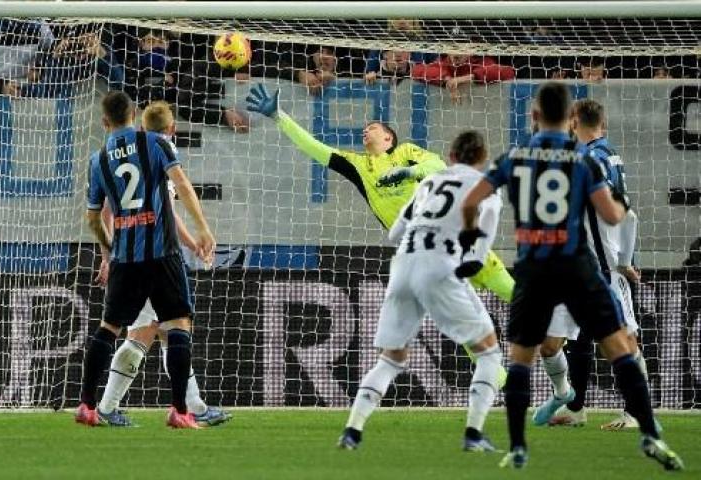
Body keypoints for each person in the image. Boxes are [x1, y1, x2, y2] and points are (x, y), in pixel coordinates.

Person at [460, 82, 683, 470]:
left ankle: (517, 446)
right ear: (569, 118)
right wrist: (623, 205)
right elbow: (615, 215)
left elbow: (472, 201)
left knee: (521, 356)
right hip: (578, 263)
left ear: (533, 117)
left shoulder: (515, 156)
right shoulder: (584, 161)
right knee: (616, 345)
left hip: (535, 266)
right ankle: (649, 432)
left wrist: (470, 237)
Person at [245, 83, 514, 365]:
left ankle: (557, 325)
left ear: (388, 138)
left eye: (373, 127)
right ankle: (496, 378)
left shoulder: (406, 152)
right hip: (424, 255)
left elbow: (437, 167)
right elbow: (314, 148)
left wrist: (407, 173)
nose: (366, 130)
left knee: (510, 291)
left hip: (457, 236)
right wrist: (279, 117)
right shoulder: (359, 166)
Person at [337, 130, 503, 451]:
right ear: (482, 160)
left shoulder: (430, 183)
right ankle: (473, 435)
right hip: (440, 266)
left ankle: (352, 431)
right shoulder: (487, 189)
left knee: (391, 359)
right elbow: (482, 243)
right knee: (489, 353)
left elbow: (395, 232)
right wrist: (468, 260)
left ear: (451, 156)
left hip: (402, 266)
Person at [78, 91, 215, 429]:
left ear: (104, 122)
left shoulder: (98, 160)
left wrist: (110, 250)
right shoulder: (155, 142)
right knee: (178, 324)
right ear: (134, 113)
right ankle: (181, 410)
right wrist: (203, 230)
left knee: (109, 328)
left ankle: (87, 406)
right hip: (161, 254)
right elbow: (180, 184)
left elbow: (94, 218)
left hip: (125, 258)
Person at [535, 99, 645, 430]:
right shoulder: (600, 153)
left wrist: (623, 263)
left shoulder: (592, 160)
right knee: (550, 344)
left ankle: (635, 413)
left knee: (623, 342)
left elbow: (628, 213)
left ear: (573, 121)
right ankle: (572, 403)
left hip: (603, 271)